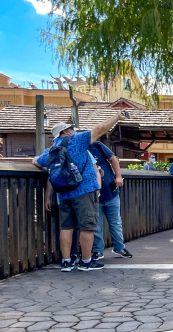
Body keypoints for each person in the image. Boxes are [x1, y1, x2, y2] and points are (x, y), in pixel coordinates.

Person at [33, 113, 126, 271]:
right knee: (87, 227)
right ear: (65, 132)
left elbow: (36, 161)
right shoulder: (77, 140)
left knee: (66, 227)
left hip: (63, 194)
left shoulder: (52, 150)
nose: (73, 131)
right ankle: (86, 261)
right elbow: (100, 129)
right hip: (84, 192)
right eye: (70, 128)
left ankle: (66, 261)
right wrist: (117, 117)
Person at [88, 140, 133, 260]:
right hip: (93, 194)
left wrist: (118, 176)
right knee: (97, 224)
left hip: (110, 190)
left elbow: (113, 158)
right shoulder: (78, 149)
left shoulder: (96, 145)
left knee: (115, 222)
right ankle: (98, 250)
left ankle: (119, 247)